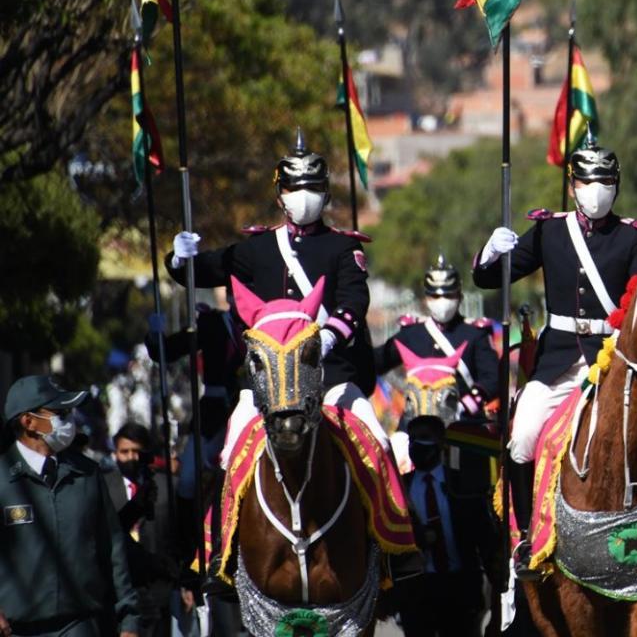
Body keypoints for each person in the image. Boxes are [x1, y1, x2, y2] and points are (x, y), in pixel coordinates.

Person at [472, 139, 637, 576]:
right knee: (523, 436)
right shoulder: (551, 231)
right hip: (557, 361)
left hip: (611, 361)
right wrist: (492, 251)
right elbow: (489, 278)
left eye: (606, 180)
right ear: (573, 186)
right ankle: (527, 535)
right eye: (589, 180)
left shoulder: (632, 236)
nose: (597, 189)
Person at [165, 129, 386, 460]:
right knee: (229, 455)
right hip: (269, 384)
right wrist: (181, 257)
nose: (304, 195)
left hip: (332, 379)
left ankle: (396, 513)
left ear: (326, 194)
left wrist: (327, 338)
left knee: (379, 443)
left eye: (313, 187)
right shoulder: (259, 248)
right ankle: (222, 515)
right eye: (294, 187)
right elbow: (202, 271)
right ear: (279, 195)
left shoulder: (343, 246)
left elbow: (354, 302)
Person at [0, 375, 140, 637]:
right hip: (16, 629)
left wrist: (129, 618)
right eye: (60, 412)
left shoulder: (87, 475)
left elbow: (114, 549)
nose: (68, 420)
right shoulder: (3, 480)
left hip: (79, 625)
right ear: (28, 422)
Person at [396, 415, 499, 636]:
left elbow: (483, 535)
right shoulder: (401, 488)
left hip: (460, 586)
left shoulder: (461, 483)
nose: (417, 445)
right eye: (412, 439)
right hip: (419, 590)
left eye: (424, 438)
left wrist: (498, 585)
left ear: (441, 442)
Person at [376, 256, 498, 402]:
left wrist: (468, 404)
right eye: (435, 296)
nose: (442, 301)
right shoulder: (411, 334)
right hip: (417, 419)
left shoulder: (475, 334)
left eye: (448, 295)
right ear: (426, 299)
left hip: (462, 420)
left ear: (460, 297)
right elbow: (376, 362)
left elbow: (492, 379)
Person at [102, 425, 184, 637]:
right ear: (115, 453)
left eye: (136, 451)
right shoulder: (102, 486)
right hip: (121, 586)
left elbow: (183, 533)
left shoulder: (169, 486)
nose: (131, 457)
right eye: (124, 451)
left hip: (160, 585)